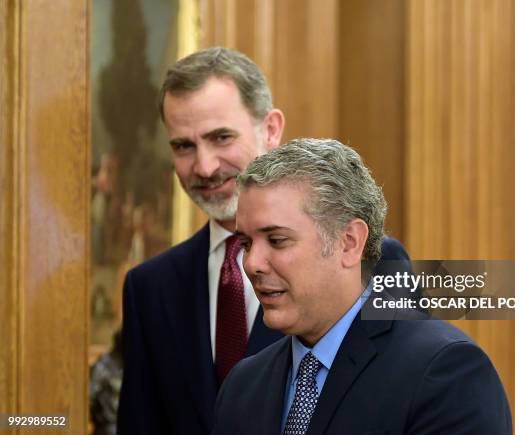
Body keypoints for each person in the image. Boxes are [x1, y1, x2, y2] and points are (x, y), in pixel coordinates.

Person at [117, 48, 413, 435]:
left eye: (221, 137)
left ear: (270, 129)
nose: (204, 166)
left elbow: (406, 387)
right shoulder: (150, 287)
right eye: (183, 146)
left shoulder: (377, 259)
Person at [214, 138, 512, 435]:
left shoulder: (444, 372)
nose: (252, 263)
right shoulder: (243, 386)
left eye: (277, 240)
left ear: (349, 243)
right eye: (246, 244)